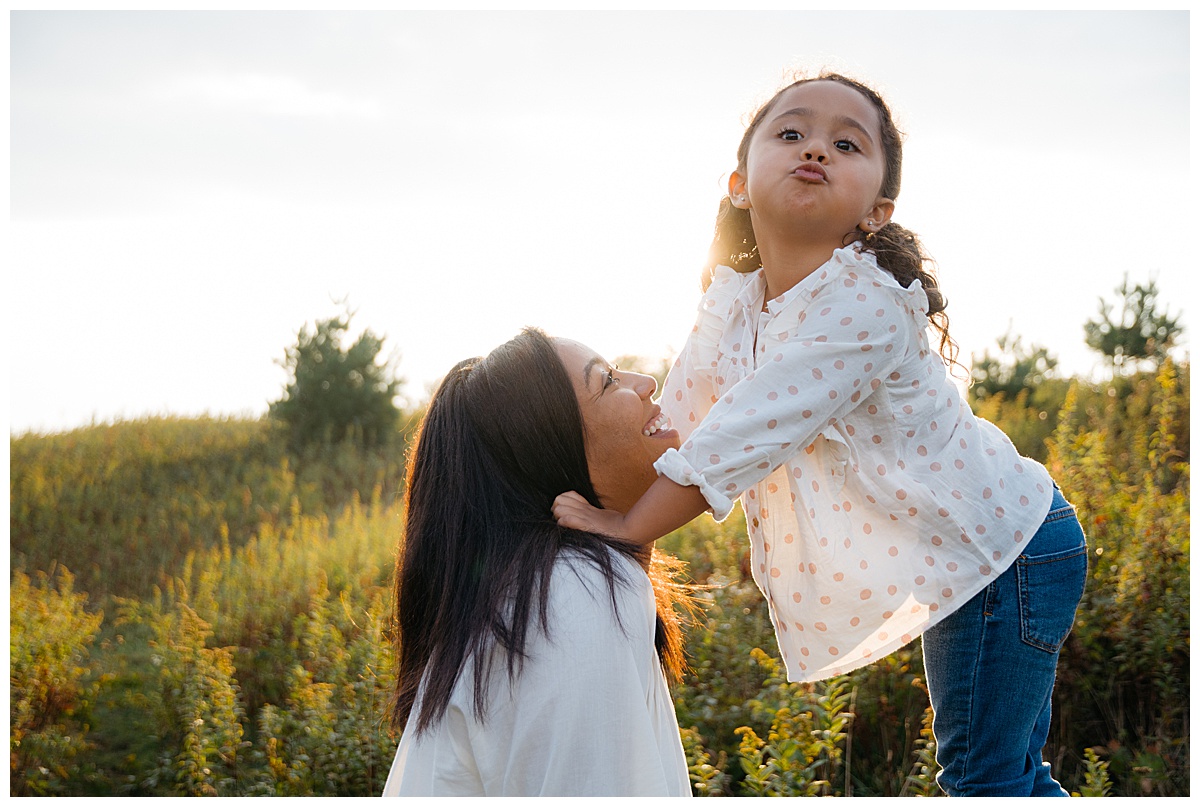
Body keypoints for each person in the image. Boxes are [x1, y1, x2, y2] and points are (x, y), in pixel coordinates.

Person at [552, 72, 1088, 797]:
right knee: (1007, 772)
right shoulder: (734, 302)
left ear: (876, 211)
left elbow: (741, 435)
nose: (816, 151)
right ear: (740, 182)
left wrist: (625, 527)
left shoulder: (863, 301)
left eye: (846, 143)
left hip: (1006, 549)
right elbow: (678, 417)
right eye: (792, 133)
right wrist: (592, 503)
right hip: (972, 551)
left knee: (986, 776)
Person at [383, 327, 692, 797]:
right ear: (555, 451)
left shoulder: (549, 591)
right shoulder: (571, 601)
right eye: (607, 381)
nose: (647, 381)